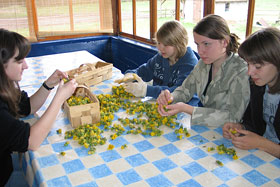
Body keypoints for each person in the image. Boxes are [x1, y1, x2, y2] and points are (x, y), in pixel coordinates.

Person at [0, 29, 78, 186]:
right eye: (19, 61)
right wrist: (59, 98)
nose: (26, 66)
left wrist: (48, 85)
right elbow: (32, 141)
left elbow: (26, 107)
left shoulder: (4, 88)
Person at [157, 14, 250, 127]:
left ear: (224, 42)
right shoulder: (203, 64)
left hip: (231, 134)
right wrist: (171, 97)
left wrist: (188, 109)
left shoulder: (240, 70)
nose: (200, 51)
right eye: (197, 45)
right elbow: (185, 90)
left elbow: (232, 117)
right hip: (207, 128)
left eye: (206, 44)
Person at [223, 27, 280, 158]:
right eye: (248, 64)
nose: (250, 72)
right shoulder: (257, 86)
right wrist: (241, 128)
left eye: (258, 66)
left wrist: (262, 143)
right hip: (263, 154)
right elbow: (253, 122)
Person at [117, 20, 199, 105]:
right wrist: (132, 75)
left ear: (179, 44)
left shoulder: (190, 64)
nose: (160, 48)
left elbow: (178, 93)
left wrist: (146, 90)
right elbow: (145, 71)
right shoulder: (161, 56)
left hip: (185, 110)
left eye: (166, 45)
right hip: (161, 103)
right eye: (159, 43)